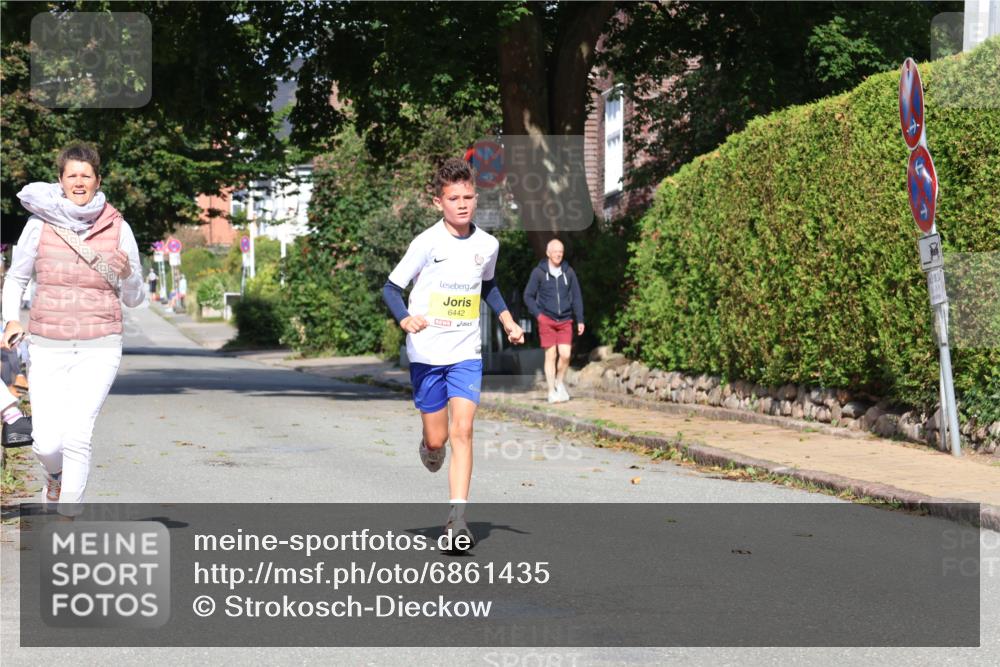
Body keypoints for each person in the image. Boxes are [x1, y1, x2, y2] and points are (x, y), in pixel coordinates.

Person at [382, 157, 524, 548]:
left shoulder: (488, 245)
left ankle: (457, 521)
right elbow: (391, 288)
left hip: (466, 351)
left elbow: (488, 286)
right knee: (438, 439)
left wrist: (508, 321)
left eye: (468, 197)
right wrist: (405, 319)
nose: (462, 204)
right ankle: (429, 446)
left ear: (476, 198)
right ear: (438, 202)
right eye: (453, 198)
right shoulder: (426, 243)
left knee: (463, 431)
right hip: (428, 352)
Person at [1, 142, 145, 513]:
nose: (79, 182)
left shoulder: (118, 228)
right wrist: (11, 318)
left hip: (101, 344)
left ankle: (66, 521)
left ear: (98, 181)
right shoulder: (39, 224)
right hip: (48, 344)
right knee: (46, 443)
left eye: (86, 176)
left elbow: (134, 298)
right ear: (61, 180)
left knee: (78, 436)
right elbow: (16, 278)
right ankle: (55, 477)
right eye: (72, 176)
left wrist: (128, 275)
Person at [523, 238, 585, 403]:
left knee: (565, 355)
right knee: (551, 355)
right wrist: (539, 315)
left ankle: (559, 382)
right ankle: (551, 391)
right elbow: (528, 296)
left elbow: (577, 296)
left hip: (565, 320)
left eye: (561, 252)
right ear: (548, 253)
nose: (558, 254)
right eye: (555, 251)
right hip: (546, 319)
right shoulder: (538, 273)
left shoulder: (568, 272)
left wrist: (580, 319)